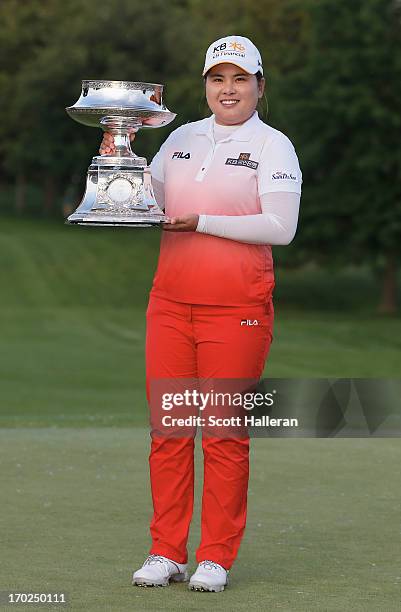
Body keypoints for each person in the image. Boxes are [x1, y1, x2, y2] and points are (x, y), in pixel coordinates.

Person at [100, 35, 302, 593]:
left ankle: (215, 556)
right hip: (170, 303)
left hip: (237, 308)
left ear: (259, 86)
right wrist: (117, 153)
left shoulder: (273, 146)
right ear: (206, 86)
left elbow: (280, 227)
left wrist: (201, 221)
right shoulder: (183, 138)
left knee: (223, 435)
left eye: (240, 79)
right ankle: (166, 551)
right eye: (218, 79)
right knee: (169, 431)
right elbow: (145, 198)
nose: (228, 89)